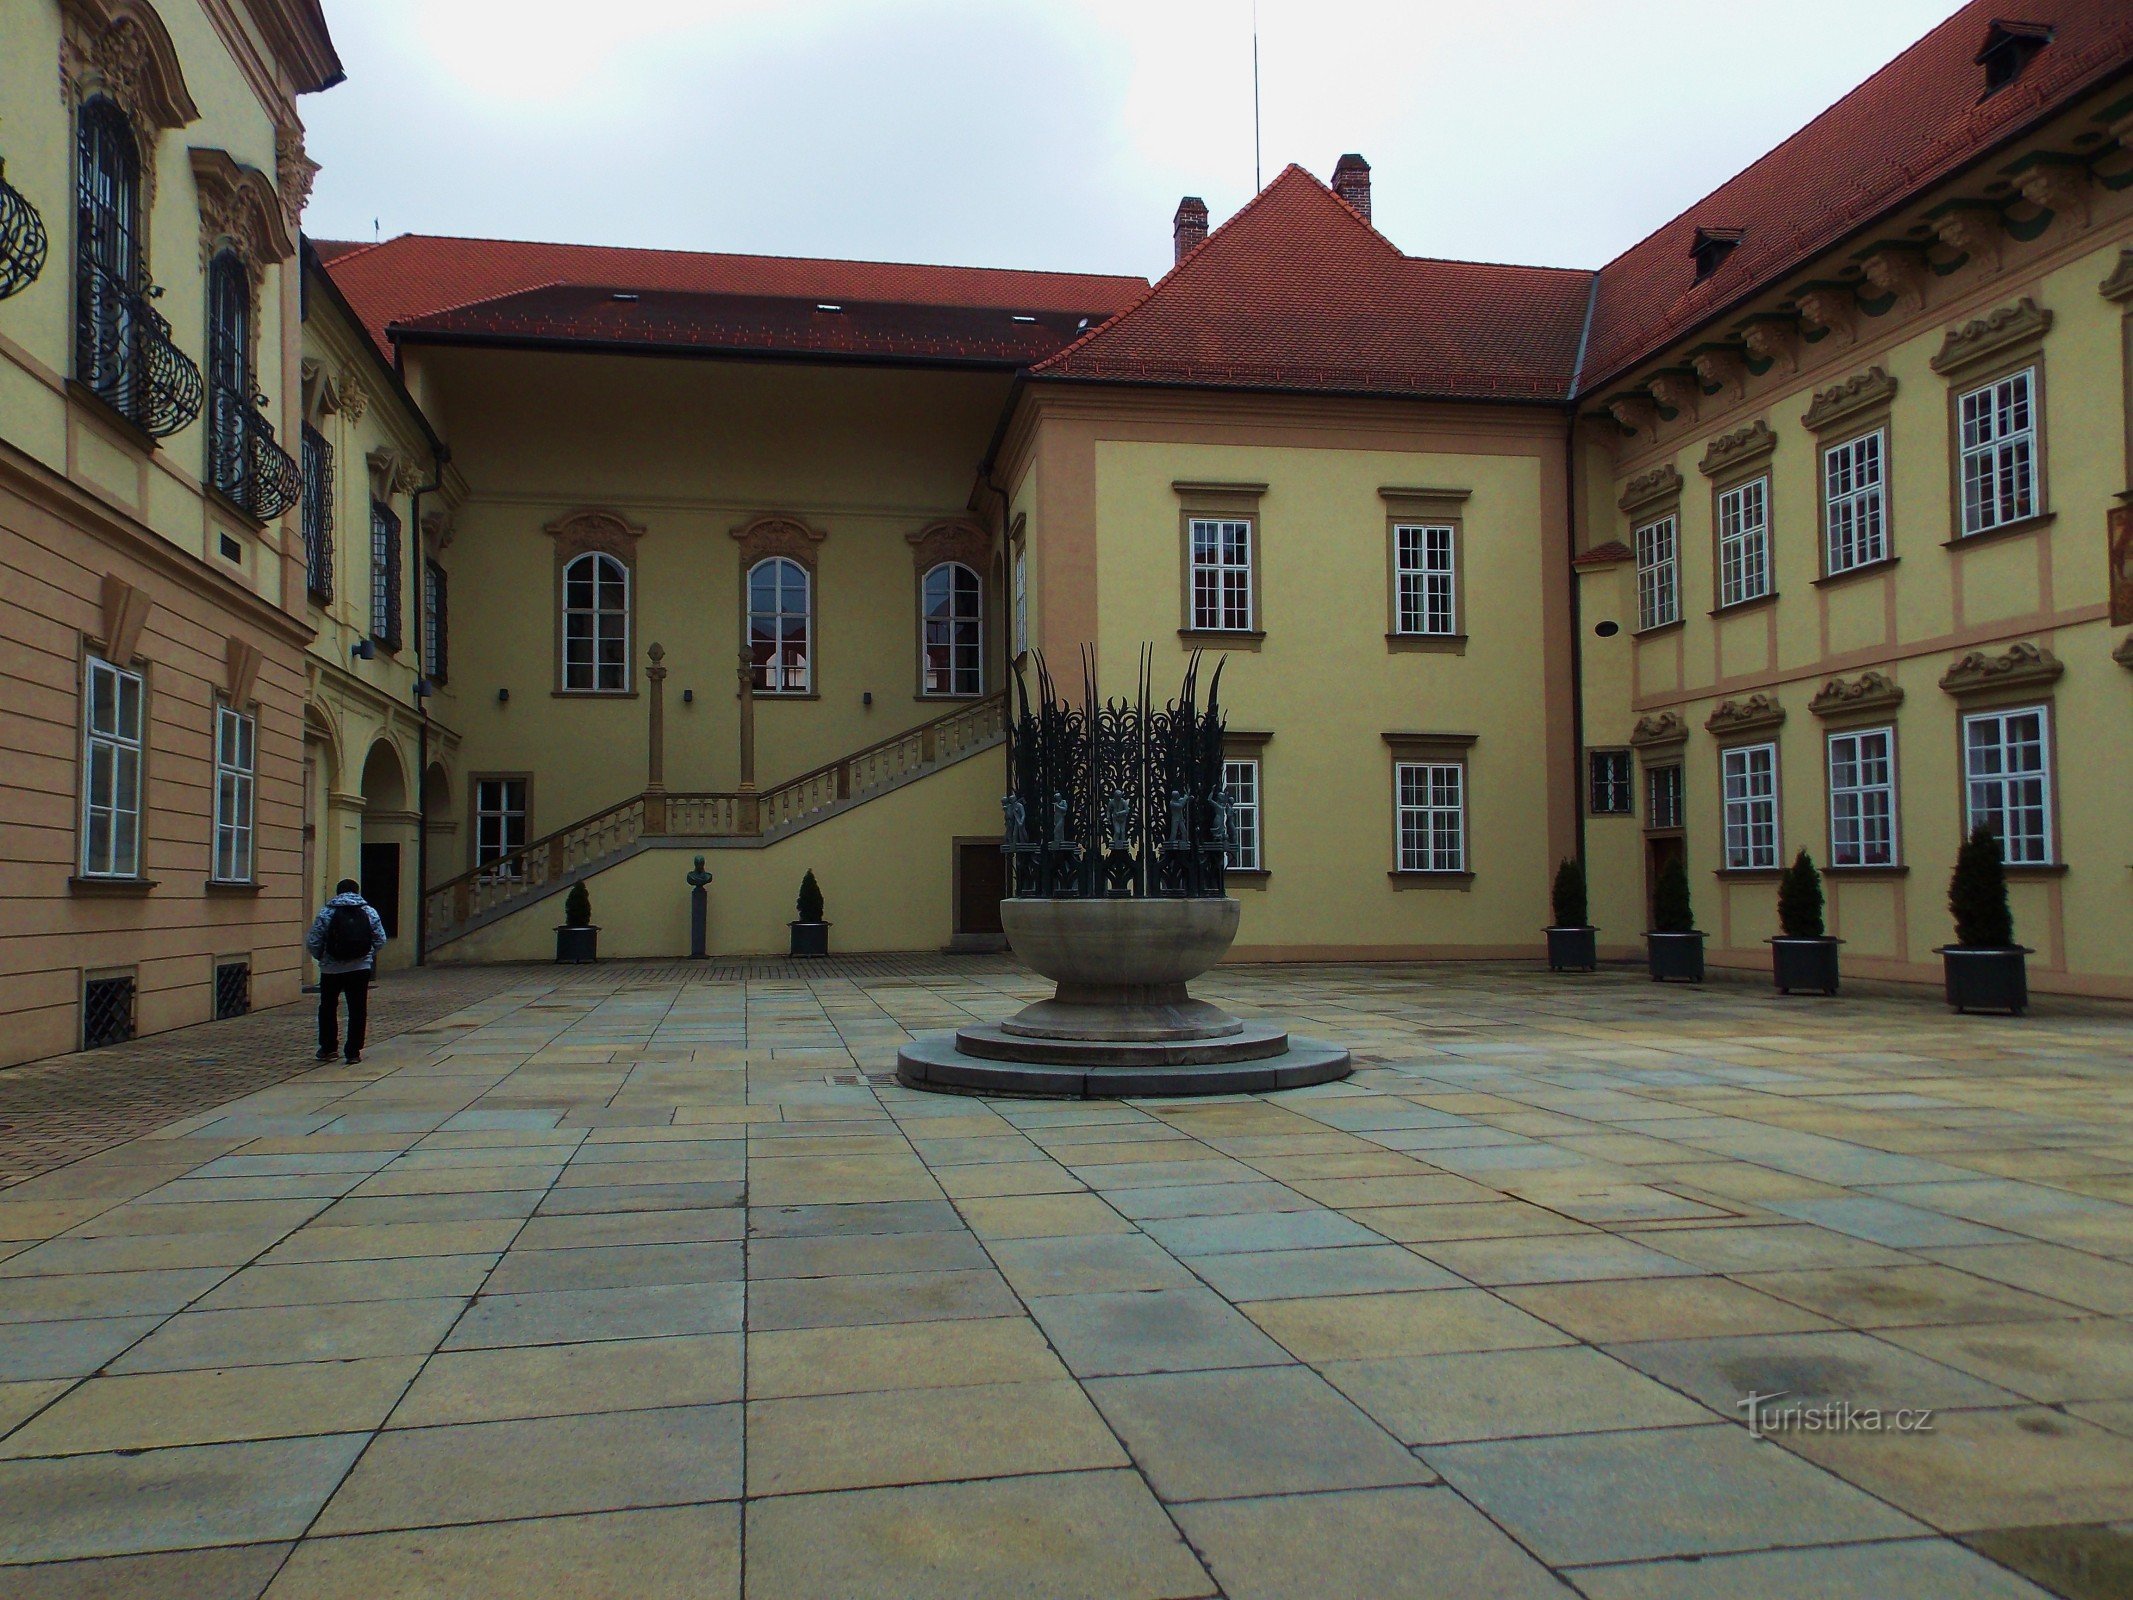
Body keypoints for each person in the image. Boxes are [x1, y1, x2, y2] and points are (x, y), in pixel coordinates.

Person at [305, 878, 387, 1064]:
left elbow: (314, 940)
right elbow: (380, 939)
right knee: (357, 1008)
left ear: (338, 891)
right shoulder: (369, 911)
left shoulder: (326, 912)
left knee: (328, 1007)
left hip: (331, 969)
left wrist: (322, 958)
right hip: (359, 967)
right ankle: (353, 1052)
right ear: (357, 891)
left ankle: (328, 1048)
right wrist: (367, 955)